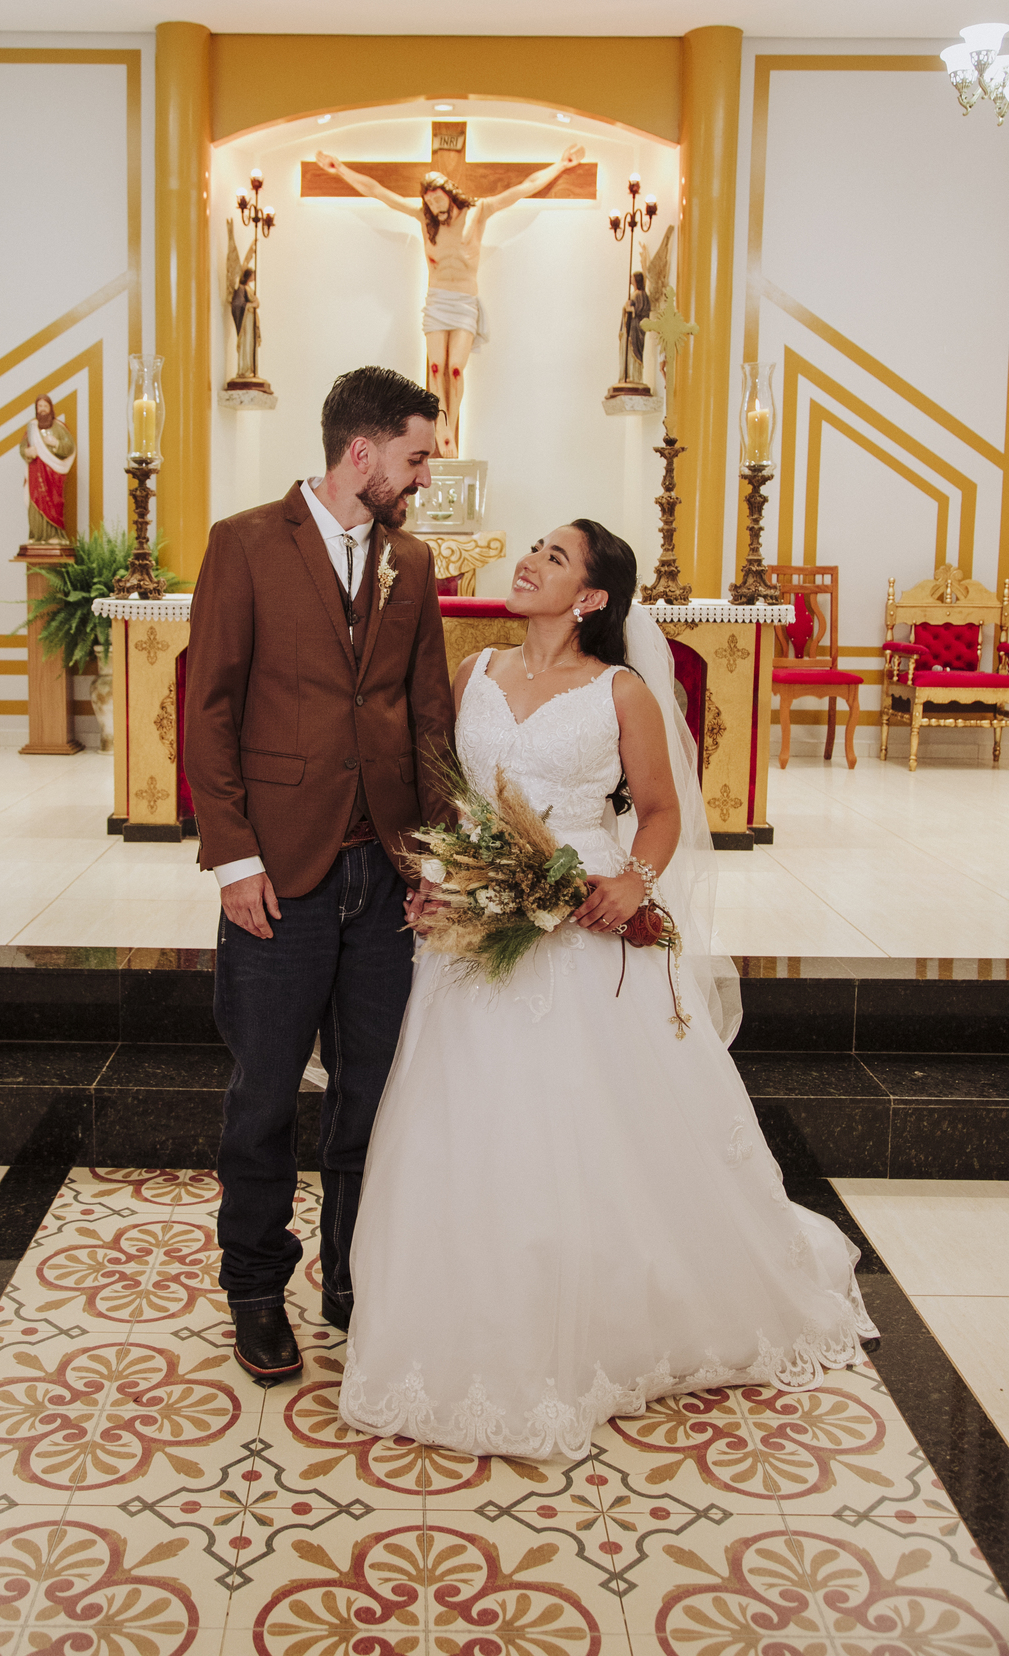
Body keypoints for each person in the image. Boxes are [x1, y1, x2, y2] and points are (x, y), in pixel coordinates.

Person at [339, 520, 877, 1459]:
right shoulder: (475, 673)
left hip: (582, 918)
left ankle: (608, 1310)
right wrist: (439, 875)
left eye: (554, 558)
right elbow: (449, 797)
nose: (529, 562)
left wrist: (634, 881)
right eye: (533, 549)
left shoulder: (619, 691)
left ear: (590, 598)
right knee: (465, 1115)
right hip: (476, 924)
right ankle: (464, 1304)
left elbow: (660, 811)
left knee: (585, 1121)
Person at [183, 365, 455, 1388]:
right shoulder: (246, 543)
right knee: (262, 1096)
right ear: (362, 451)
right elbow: (209, 707)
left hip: (384, 876)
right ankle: (256, 1288)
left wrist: (433, 859)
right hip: (278, 876)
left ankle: (351, 1274)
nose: (424, 478)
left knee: (369, 1092)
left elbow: (428, 715)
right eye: (417, 458)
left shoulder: (412, 562)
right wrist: (234, 858)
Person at [314, 146, 585, 455]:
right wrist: (340, 168)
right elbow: (378, 192)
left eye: (436, 197)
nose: (432, 204)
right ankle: (440, 428)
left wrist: (560, 165)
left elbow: (523, 188)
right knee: (435, 367)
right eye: (428, 200)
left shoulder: (478, 212)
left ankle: (450, 426)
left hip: (465, 302)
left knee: (455, 369)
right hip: (437, 301)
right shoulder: (424, 219)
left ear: (449, 193)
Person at [19, 394, 76, 544]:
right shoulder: (32, 428)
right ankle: (36, 535)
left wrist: (55, 443)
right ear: (36, 409)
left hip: (54, 474)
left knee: (54, 503)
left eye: (45, 406)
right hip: (35, 472)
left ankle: (54, 535)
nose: (43, 409)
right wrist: (27, 452)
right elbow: (23, 447)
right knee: (35, 502)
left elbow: (70, 447)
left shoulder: (59, 428)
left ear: (50, 408)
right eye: (40, 406)